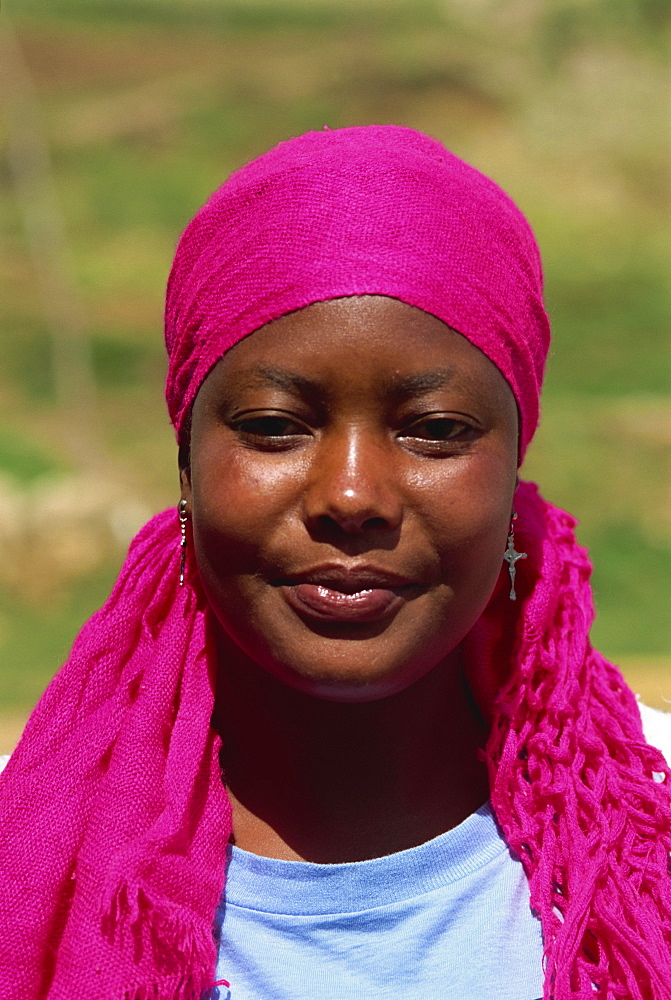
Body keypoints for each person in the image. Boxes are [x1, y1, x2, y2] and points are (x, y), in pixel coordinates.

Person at [0, 125, 669, 1000]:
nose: (351, 497)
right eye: (275, 427)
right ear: (185, 464)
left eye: (434, 432)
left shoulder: (648, 829)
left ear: (515, 472)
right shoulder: (27, 853)